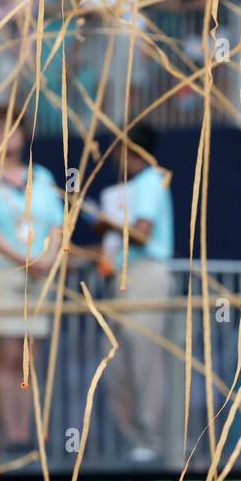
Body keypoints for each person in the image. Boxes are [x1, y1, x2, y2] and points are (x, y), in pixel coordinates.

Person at [0, 105, 65, 456]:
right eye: (0, 128)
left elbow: (57, 224)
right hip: (0, 274)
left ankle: (29, 430)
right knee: (7, 353)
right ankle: (14, 434)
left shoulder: (44, 178)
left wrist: (47, 257)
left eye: (15, 128)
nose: (9, 135)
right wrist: (24, 259)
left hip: (36, 279)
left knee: (28, 355)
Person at [91, 122, 175, 463]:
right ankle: (134, 439)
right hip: (122, 278)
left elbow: (141, 235)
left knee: (144, 358)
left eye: (123, 150)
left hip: (146, 276)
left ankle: (151, 438)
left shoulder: (151, 181)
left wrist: (105, 222)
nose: (117, 158)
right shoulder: (128, 188)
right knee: (116, 363)